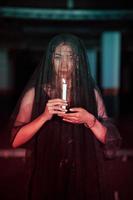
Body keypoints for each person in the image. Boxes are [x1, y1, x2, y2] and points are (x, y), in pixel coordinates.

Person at [9, 34, 121, 200]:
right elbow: (15, 141)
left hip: (82, 174)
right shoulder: (35, 94)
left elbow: (109, 139)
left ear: (77, 61)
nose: (63, 63)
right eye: (58, 57)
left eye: (70, 57)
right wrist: (44, 117)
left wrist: (89, 120)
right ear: (50, 61)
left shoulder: (90, 94)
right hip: (47, 174)